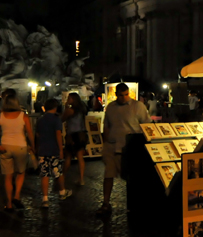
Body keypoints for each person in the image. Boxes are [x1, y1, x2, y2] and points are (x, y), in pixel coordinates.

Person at [97, 82, 151, 216]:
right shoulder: (110, 107)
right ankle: (105, 203)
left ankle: (134, 205)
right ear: (116, 95)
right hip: (112, 145)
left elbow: (146, 126)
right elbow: (107, 126)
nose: (124, 98)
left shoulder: (138, 106)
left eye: (126, 95)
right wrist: (105, 143)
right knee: (108, 175)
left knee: (130, 177)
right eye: (121, 95)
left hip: (129, 147)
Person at [0, 95, 34, 211]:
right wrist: (33, 146)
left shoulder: (1, 116)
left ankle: (9, 204)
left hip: (5, 147)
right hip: (20, 146)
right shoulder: (23, 116)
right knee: (20, 173)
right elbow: (29, 133)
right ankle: (17, 196)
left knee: (8, 176)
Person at [36, 98, 72, 206]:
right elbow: (58, 135)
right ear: (55, 107)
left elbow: (37, 135)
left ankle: (45, 199)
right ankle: (62, 192)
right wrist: (61, 149)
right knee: (58, 171)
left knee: (44, 174)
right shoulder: (56, 119)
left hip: (42, 149)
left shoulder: (40, 120)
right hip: (53, 149)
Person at [62, 92, 89, 186]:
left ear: (73, 99)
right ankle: (81, 179)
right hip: (81, 134)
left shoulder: (70, 110)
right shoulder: (82, 109)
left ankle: (63, 176)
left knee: (68, 156)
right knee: (80, 156)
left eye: (69, 98)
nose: (68, 100)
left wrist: (65, 107)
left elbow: (62, 118)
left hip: (72, 135)